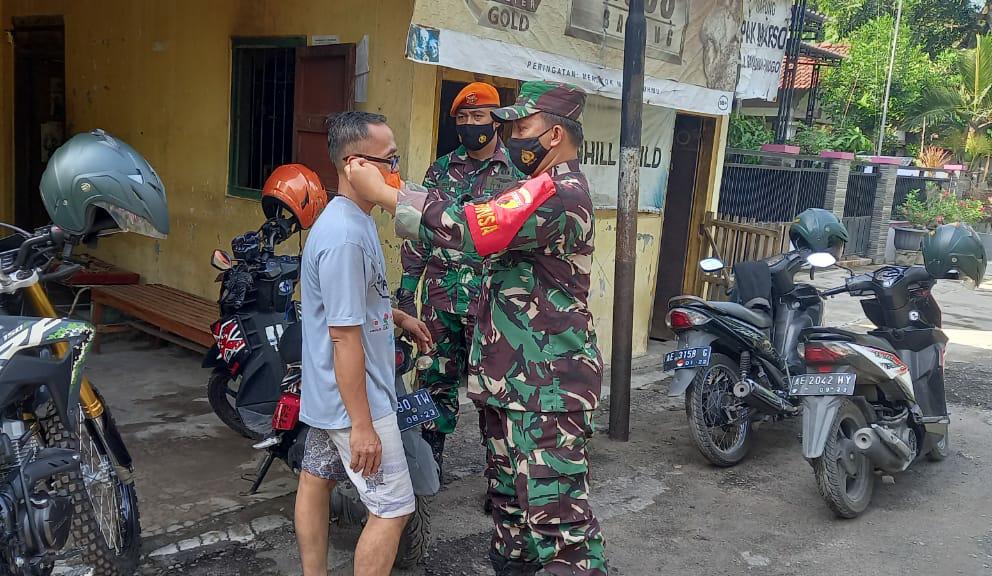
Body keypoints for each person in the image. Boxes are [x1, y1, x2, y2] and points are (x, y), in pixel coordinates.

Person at [345, 81, 608, 576]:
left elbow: (474, 228)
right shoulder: (532, 185)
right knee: (511, 515)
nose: (509, 136)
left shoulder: (560, 193)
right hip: (510, 384)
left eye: (521, 127)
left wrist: (387, 193)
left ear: (553, 135)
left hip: (548, 389)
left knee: (558, 529)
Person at [294, 110, 432, 576]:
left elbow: (350, 306)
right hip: (357, 400)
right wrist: (362, 426)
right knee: (393, 509)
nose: (397, 170)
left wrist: (395, 317)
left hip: (332, 393)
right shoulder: (344, 237)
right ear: (356, 165)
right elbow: (343, 338)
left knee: (315, 479)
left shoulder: (355, 220)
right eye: (389, 160)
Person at [397, 81, 523, 477]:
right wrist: (405, 295)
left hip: (490, 307)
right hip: (439, 304)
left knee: (494, 393)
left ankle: (501, 482)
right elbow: (420, 232)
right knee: (434, 381)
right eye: (463, 118)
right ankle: (429, 468)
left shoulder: (516, 172)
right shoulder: (441, 169)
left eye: (478, 116)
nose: (470, 124)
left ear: (497, 121)